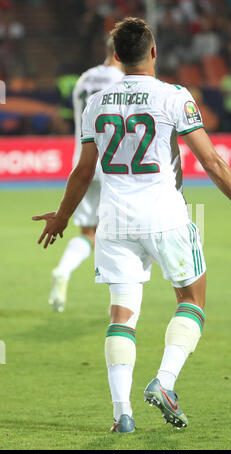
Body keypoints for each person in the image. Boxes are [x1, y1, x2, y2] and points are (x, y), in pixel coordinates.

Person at [33, 17, 231, 433]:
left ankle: (121, 414)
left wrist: (62, 217)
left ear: (117, 57)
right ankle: (164, 382)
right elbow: (212, 161)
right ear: (153, 52)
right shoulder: (174, 97)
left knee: (121, 316)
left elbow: (82, 172)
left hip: (113, 222)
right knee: (192, 299)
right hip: (165, 215)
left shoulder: (97, 102)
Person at [49, 37, 124, 313]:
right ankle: (117, 301)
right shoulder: (123, 82)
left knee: (88, 232)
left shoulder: (83, 80)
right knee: (118, 234)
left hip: (83, 163)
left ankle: (63, 270)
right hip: (115, 164)